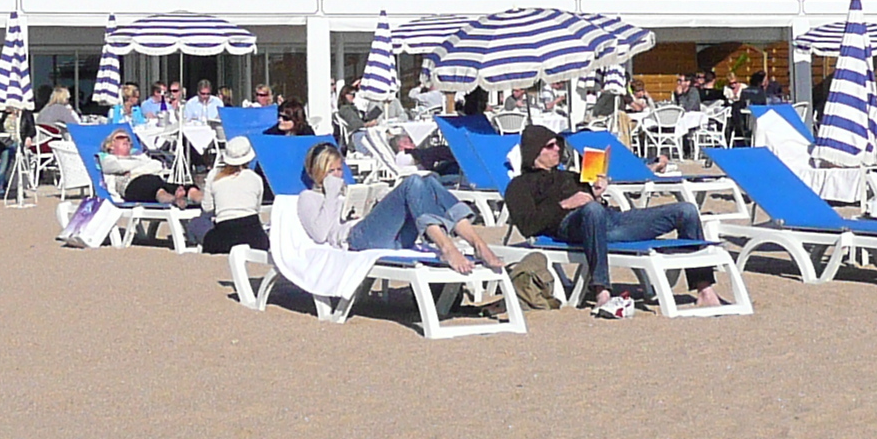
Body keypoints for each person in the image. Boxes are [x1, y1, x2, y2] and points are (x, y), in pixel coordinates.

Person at [500, 124, 712, 317]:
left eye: (558, 144)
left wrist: (597, 192)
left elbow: (594, 202)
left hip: (612, 221)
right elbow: (527, 225)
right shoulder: (519, 186)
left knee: (686, 210)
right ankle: (602, 290)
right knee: (592, 210)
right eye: (550, 146)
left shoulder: (571, 176)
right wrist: (565, 204)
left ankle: (704, 289)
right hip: (570, 226)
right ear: (535, 151)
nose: (557, 149)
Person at [298, 140, 508, 273]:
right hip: (357, 238)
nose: (337, 175)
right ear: (316, 172)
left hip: (389, 234)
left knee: (431, 182)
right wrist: (332, 193)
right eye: (330, 172)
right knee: (413, 182)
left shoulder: (347, 189)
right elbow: (320, 234)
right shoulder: (307, 197)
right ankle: (446, 246)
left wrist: (376, 199)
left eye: (338, 170)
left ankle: (479, 244)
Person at [194, 136, 272, 252]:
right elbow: (256, 208)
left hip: (224, 237)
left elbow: (207, 208)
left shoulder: (214, 175)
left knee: (196, 223)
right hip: (255, 237)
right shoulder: (255, 178)